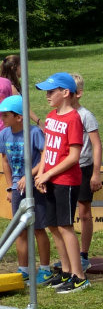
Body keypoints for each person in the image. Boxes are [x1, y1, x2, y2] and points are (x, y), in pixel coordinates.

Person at [32, 71, 89, 293]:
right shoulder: (51, 116)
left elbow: (74, 157)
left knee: (65, 227)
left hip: (67, 180)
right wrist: (41, 173)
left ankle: (79, 276)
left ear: (65, 93)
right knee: (53, 225)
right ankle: (66, 271)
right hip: (50, 178)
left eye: (51, 91)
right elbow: (47, 148)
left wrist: (48, 174)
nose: (47, 95)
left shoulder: (73, 118)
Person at [0, 94, 52, 285]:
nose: (2, 119)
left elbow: (45, 156)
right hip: (17, 188)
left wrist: (29, 175)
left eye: (5, 115)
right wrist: (10, 186)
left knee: (38, 228)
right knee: (19, 230)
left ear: (19, 117)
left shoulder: (34, 133)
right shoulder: (4, 134)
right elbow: (5, 161)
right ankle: (24, 269)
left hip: (35, 186)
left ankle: (45, 269)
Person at [71, 73, 103, 271]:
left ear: (78, 93)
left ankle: (83, 254)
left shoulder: (86, 116)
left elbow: (96, 145)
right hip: (65, 169)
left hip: (83, 167)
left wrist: (96, 173)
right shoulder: (58, 115)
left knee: (84, 213)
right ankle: (70, 254)